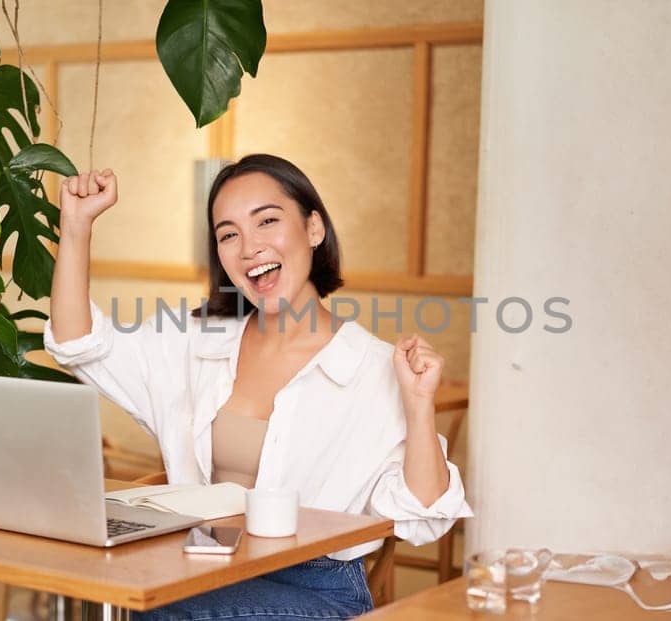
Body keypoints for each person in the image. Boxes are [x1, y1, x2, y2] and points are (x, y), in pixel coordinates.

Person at [43, 154, 473, 620]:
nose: (249, 248)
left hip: (314, 588)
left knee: (159, 610)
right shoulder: (194, 343)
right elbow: (78, 343)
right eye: (229, 234)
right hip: (201, 564)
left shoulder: (371, 367)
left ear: (313, 229)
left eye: (267, 221)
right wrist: (76, 225)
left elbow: (425, 515)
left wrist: (419, 406)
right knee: (120, 593)